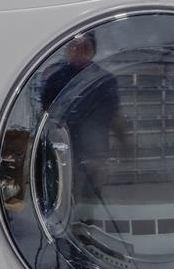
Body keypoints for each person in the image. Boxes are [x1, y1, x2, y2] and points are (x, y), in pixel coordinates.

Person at [38, 32, 120, 204]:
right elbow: (46, 115)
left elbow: (112, 117)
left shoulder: (105, 80)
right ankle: (71, 225)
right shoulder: (55, 79)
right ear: (67, 50)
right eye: (74, 46)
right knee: (66, 191)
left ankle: (88, 224)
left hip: (95, 148)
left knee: (93, 194)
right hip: (65, 146)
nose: (79, 51)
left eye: (85, 47)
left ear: (93, 50)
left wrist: (122, 140)